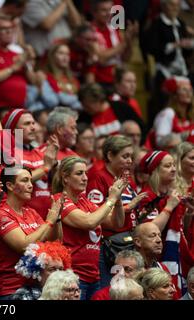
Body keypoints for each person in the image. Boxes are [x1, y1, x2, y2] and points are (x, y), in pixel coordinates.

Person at [52, 156, 127, 300]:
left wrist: (118, 200)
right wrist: (110, 199)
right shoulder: (59, 200)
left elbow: (116, 223)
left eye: (85, 173)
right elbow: (89, 222)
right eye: (79, 173)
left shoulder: (84, 202)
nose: (85, 178)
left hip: (94, 275)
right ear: (65, 178)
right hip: (72, 276)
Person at [0, 166, 62, 300]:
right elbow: (23, 245)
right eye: (24, 181)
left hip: (36, 286)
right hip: (11, 290)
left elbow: (55, 242)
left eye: (31, 181)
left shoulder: (31, 212)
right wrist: (49, 222)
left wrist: (57, 218)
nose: (30, 185)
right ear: (10, 186)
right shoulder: (1, 215)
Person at [86, 135, 144, 286]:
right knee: (113, 289)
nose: (130, 161)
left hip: (128, 243)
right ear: (110, 155)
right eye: (125, 156)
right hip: (109, 247)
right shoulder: (98, 178)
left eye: (131, 156)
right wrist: (126, 208)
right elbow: (96, 216)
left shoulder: (126, 179)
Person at [153, 76, 194, 147]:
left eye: (190, 90)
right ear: (174, 95)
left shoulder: (191, 115)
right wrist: (184, 136)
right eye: (184, 89)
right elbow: (160, 141)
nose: (188, 93)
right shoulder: (168, 113)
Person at [40, 43, 81, 110]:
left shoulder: (73, 79)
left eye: (67, 54)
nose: (65, 57)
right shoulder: (46, 76)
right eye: (61, 53)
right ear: (52, 56)